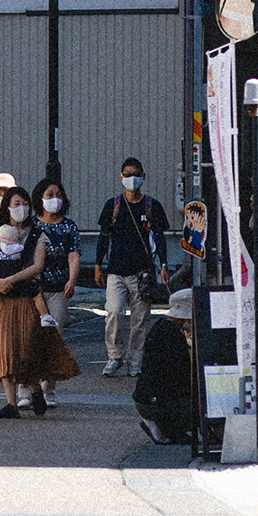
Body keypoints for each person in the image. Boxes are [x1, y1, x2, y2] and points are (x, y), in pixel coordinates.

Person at [0, 185, 80, 417]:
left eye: (25, 204)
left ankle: (36, 389)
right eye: (16, 204)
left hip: (26, 297)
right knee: (4, 348)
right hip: (3, 299)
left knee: (26, 348)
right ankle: (11, 403)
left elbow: (37, 266)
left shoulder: (37, 232)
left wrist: (10, 279)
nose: (22, 208)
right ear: (7, 207)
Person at [95, 157, 170, 378]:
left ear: (144, 177)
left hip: (143, 271)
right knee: (114, 312)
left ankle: (135, 361)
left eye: (136, 174)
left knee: (140, 319)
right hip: (116, 270)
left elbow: (159, 236)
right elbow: (103, 236)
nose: (132, 178)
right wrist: (98, 265)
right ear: (120, 177)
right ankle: (114, 356)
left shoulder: (152, 206)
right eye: (127, 174)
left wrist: (163, 265)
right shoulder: (113, 205)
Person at [33, 178, 82, 407]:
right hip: (33, 290)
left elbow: (73, 253)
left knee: (55, 336)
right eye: (50, 194)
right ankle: (27, 387)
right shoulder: (32, 225)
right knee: (30, 337)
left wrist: (72, 279)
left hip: (58, 288)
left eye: (59, 195)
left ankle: (49, 388)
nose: (55, 199)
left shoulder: (69, 226)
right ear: (40, 198)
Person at [135, 288, 198, 444]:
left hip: (145, 397)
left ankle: (159, 426)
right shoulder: (174, 336)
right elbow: (183, 372)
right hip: (161, 401)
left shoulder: (159, 326)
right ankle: (168, 428)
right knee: (197, 405)